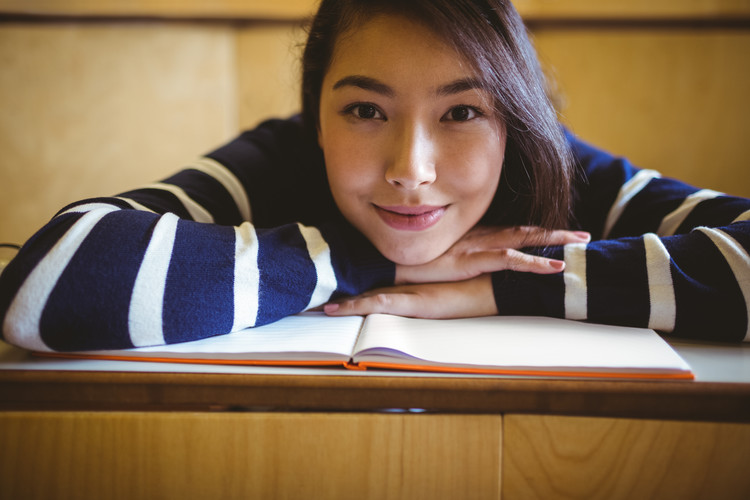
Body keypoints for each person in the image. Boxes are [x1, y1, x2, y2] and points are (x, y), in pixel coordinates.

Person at [1, 0, 748, 352]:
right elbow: (48, 280)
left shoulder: (556, 167)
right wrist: (373, 260)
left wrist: (505, 282)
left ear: (514, 120)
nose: (409, 172)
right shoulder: (282, 158)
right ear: (316, 115)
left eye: (461, 113)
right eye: (365, 109)